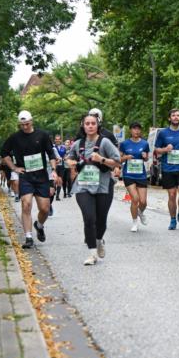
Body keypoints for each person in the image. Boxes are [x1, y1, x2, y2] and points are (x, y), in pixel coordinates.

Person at [0, 110, 61, 248]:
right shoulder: (15, 138)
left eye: (26, 124)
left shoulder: (42, 135)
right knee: (26, 204)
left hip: (41, 176)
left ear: (31, 121)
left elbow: (51, 153)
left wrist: (54, 171)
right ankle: (28, 237)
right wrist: (14, 167)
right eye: (22, 125)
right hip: (25, 175)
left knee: (44, 209)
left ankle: (39, 225)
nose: (24, 127)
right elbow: (4, 153)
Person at [67, 113, 121, 265]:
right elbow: (69, 159)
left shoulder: (105, 143)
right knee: (89, 218)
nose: (90, 126)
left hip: (103, 186)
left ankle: (98, 241)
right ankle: (92, 254)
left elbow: (117, 163)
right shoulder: (77, 144)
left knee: (101, 220)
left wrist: (102, 159)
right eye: (87, 123)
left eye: (93, 123)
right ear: (83, 126)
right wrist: (71, 163)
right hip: (83, 186)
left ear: (98, 126)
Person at [120, 122, 151, 232]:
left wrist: (145, 157)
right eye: (134, 129)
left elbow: (147, 159)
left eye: (138, 129)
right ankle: (134, 223)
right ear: (130, 130)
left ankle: (140, 212)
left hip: (141, 174)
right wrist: (126, 157)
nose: (136, 131)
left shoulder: (145, 144)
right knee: (135, 199)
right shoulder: (124, 144)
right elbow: (118, 159)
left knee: (143, 202)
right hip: (128, 174)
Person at [53, 134, 68, 200]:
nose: (57, 140)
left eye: (59, 139)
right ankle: (54, 190)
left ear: (61, 140)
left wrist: (65, 158)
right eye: (56, 139)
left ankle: (57, 196)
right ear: (54, 140)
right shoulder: (52, 147)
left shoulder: (63, 147)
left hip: (61, 165)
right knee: (54, 180)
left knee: (60, 180)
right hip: (55, 165)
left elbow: (64, 155)